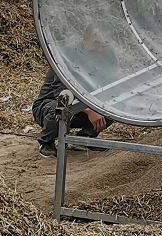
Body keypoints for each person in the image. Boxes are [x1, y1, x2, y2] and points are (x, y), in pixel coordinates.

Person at [33, 25, 118, 158]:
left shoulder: (108, 57)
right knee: (57, 108)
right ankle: (46, 142)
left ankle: (85, 138)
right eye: (96, 43)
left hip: (85, 106)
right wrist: (90, 110)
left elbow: (113, 84)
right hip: (51, 104)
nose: (99, 48)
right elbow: (60, 94)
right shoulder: (69, 57)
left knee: (116, 104)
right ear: (85, 41)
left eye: (103, 44)